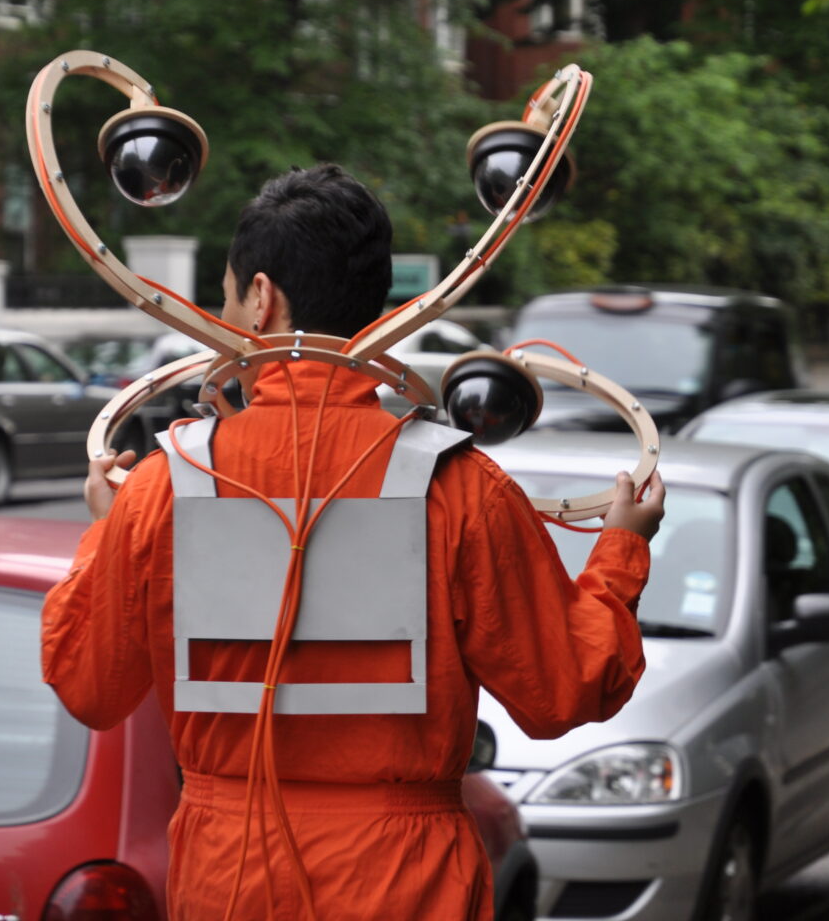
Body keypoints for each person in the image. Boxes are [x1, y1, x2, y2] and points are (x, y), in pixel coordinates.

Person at [41, 164, 663, 921]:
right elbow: (565, 690)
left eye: (230, 296)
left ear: (262, 297)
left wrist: (108, 530)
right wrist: (620, 553)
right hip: (407, 881)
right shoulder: (461, 487)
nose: (224, 313)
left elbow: (88, 687)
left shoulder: (164, 488)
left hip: (230, 875)